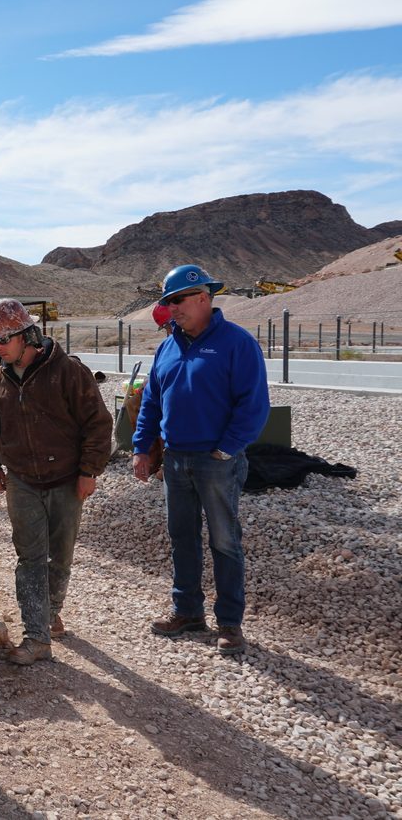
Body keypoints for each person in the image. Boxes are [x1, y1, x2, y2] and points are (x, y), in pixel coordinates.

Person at [133, 265, 269, 656]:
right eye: (167, 302)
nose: (172, 309)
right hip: (176, 459)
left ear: (204, 298)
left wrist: (226, 448)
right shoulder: (167, 347)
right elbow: (152, 404)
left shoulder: (236, 343)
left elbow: (254, 404)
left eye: (178, 301)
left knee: (225, 542)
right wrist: (143, 449)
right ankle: (188, 612)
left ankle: (230, 623)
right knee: (182, 538)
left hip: (217, 460)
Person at [0, 299, 113, 665]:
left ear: (25, 336)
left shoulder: (69, 373)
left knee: (60, 557)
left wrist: (88, 472)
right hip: (21, 481)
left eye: (2, 341)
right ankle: (36, 635)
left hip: (67, 479)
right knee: (30, 558)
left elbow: (97, 424)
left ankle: (49, 614)